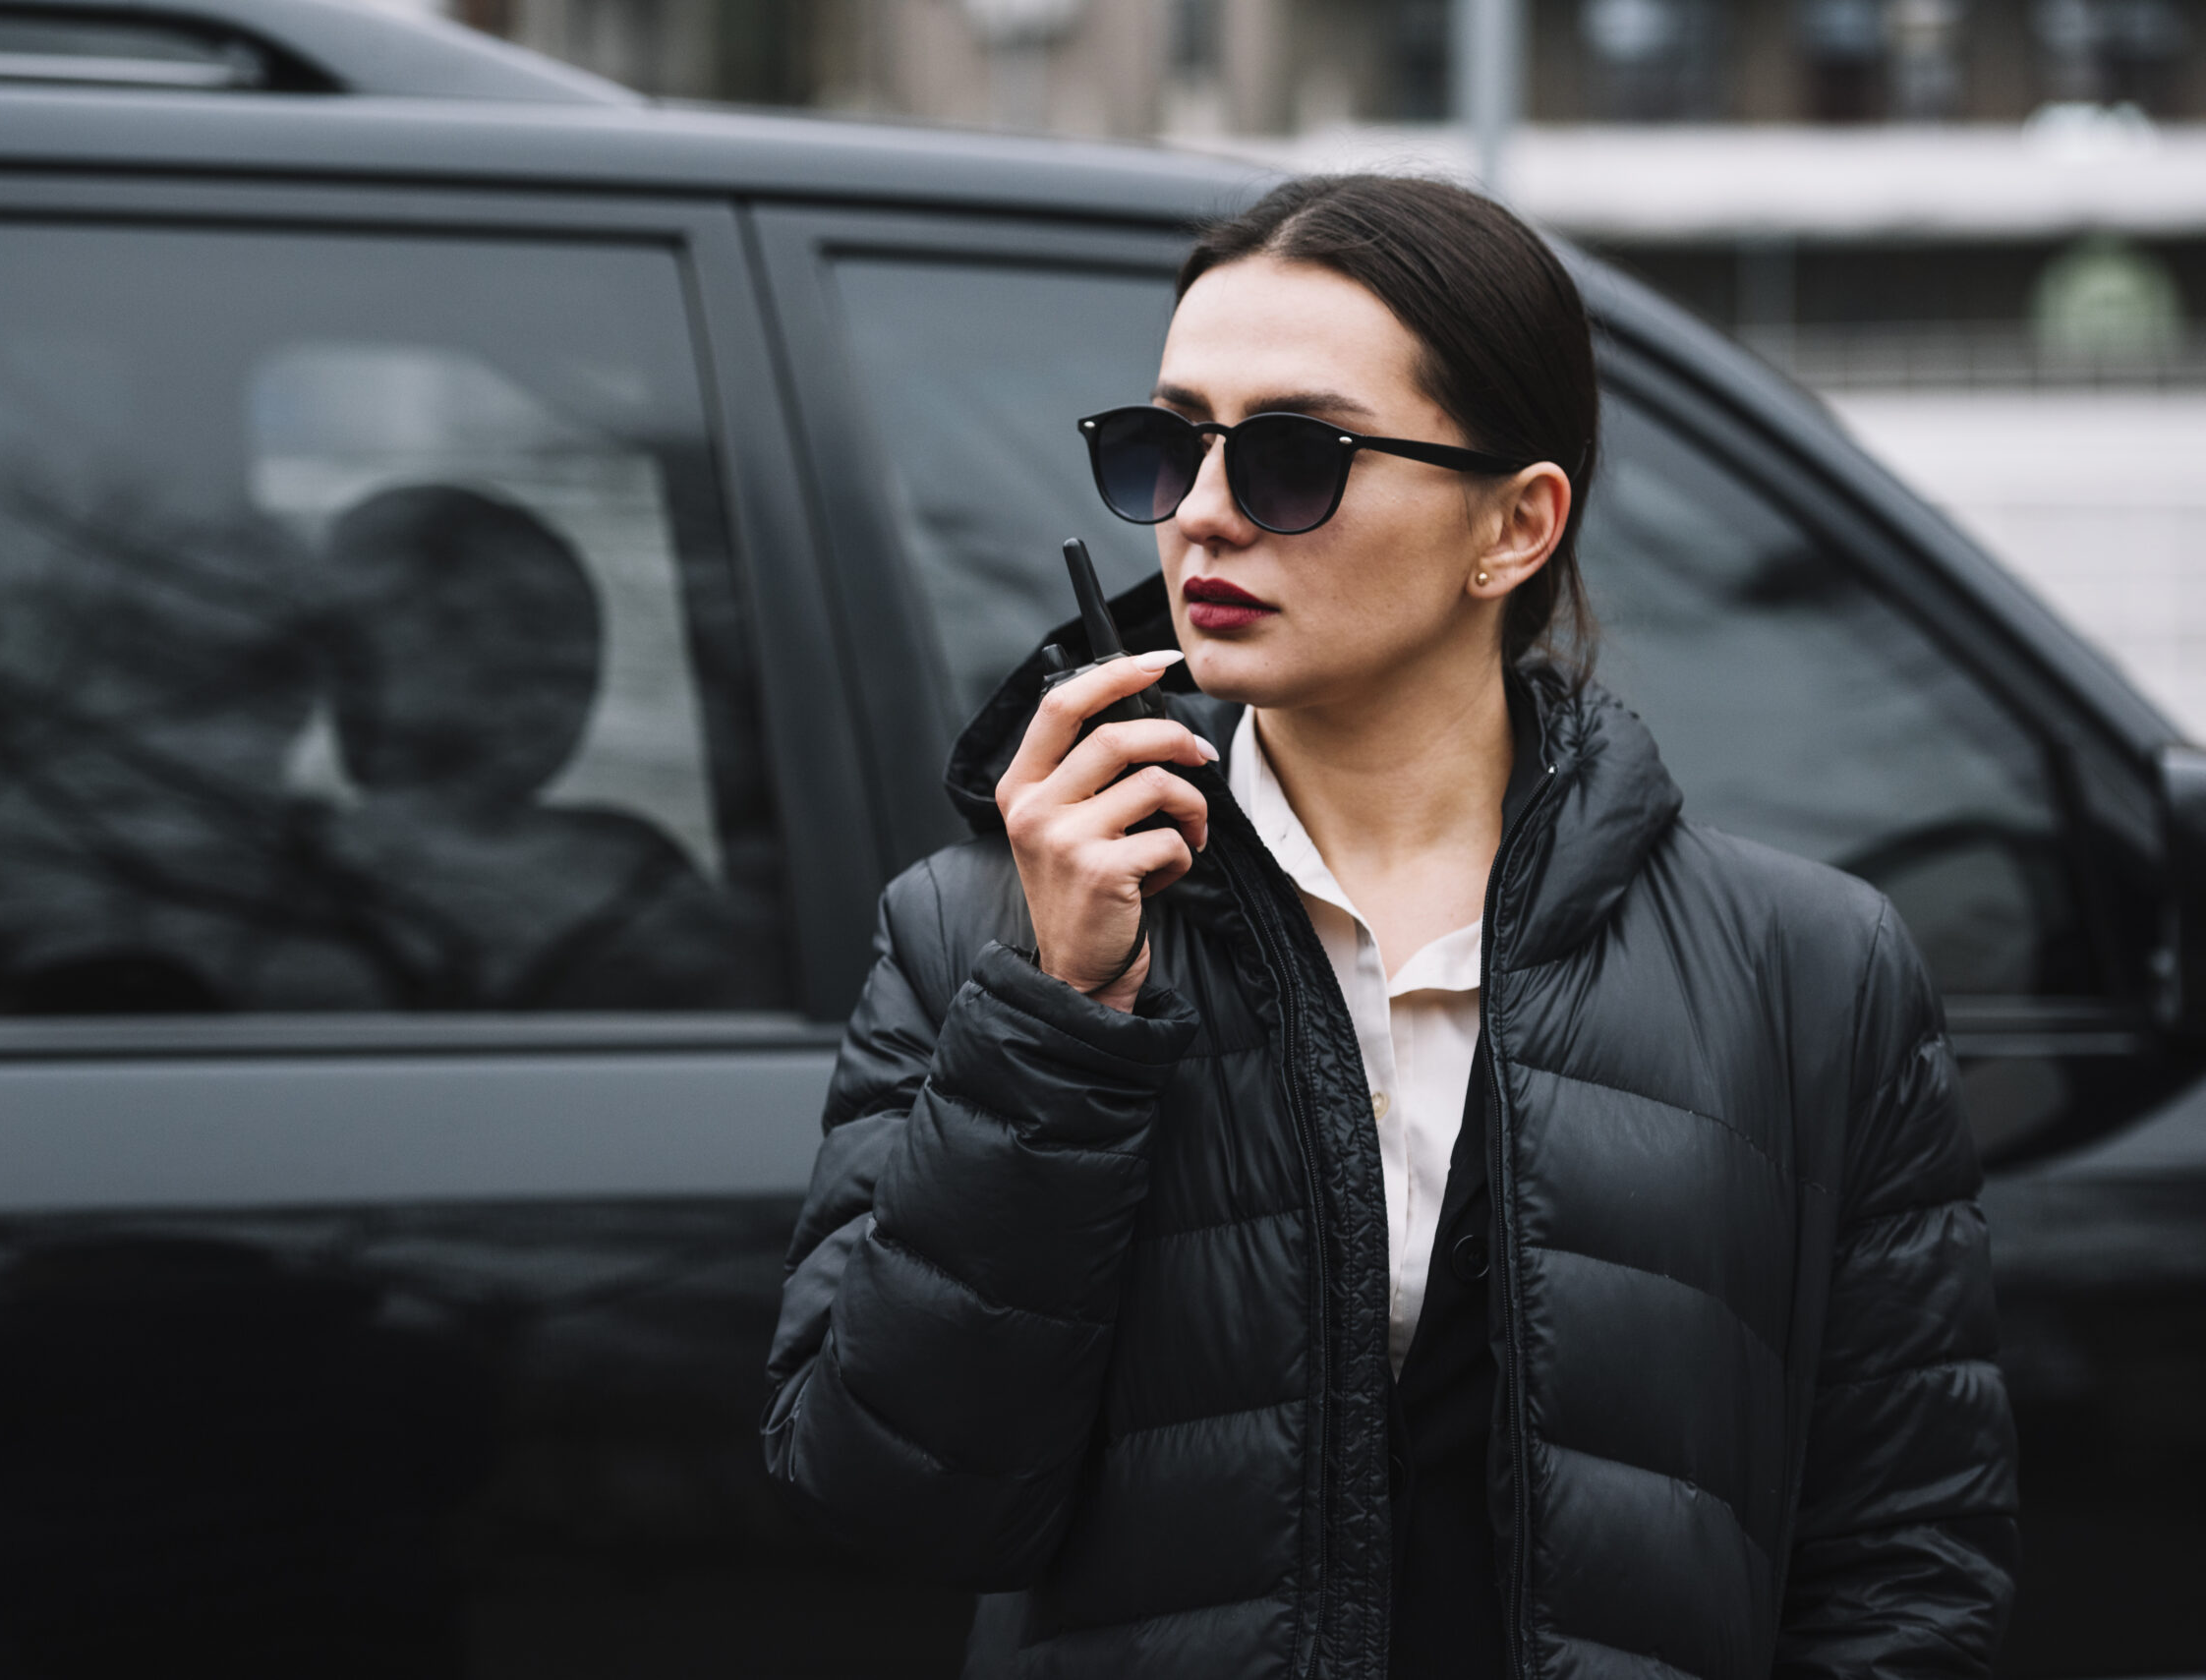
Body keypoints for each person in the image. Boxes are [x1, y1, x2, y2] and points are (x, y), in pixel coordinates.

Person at [762, 175, 2016, 1679]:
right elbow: (890, 1498)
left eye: (1296, 457)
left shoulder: (1808, 970)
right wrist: (1061, 1019)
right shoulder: (984, 929)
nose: (1207, 509)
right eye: (1167, 444)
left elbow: (1908, 1566)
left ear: (1514, 525)